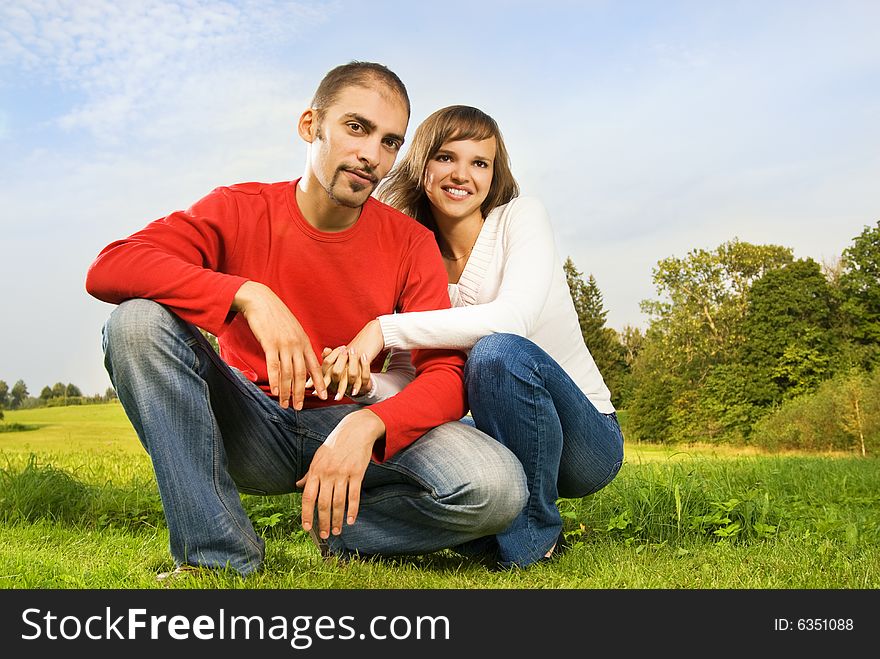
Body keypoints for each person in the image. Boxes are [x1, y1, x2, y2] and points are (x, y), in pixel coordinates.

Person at [84, 64, 527, 578]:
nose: (370, 156)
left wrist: (369, 424)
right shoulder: (238, 208)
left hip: (355, 427)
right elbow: (109, 267)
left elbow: (447, 376)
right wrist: (247, 294)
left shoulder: (410, 242)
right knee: (136, 324)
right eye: (356, 128)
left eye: (389, 142)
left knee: (498, 489)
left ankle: (342, 530)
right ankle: (218, 557)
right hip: (250, 424)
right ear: (310, 125)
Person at [320, 105, 624, 569]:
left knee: (497, 353)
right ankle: (354, 529)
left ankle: (532, 539)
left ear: (493, 174)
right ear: (422, 165)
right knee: (416, 427)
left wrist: (382, 329)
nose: (462, 174)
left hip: (584, 439)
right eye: (446, 157)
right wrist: (362, 383)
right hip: (495, 433)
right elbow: (406, 377)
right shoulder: (410, 258)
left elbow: (512, 320)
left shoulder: (521, 218)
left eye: (479, 163)